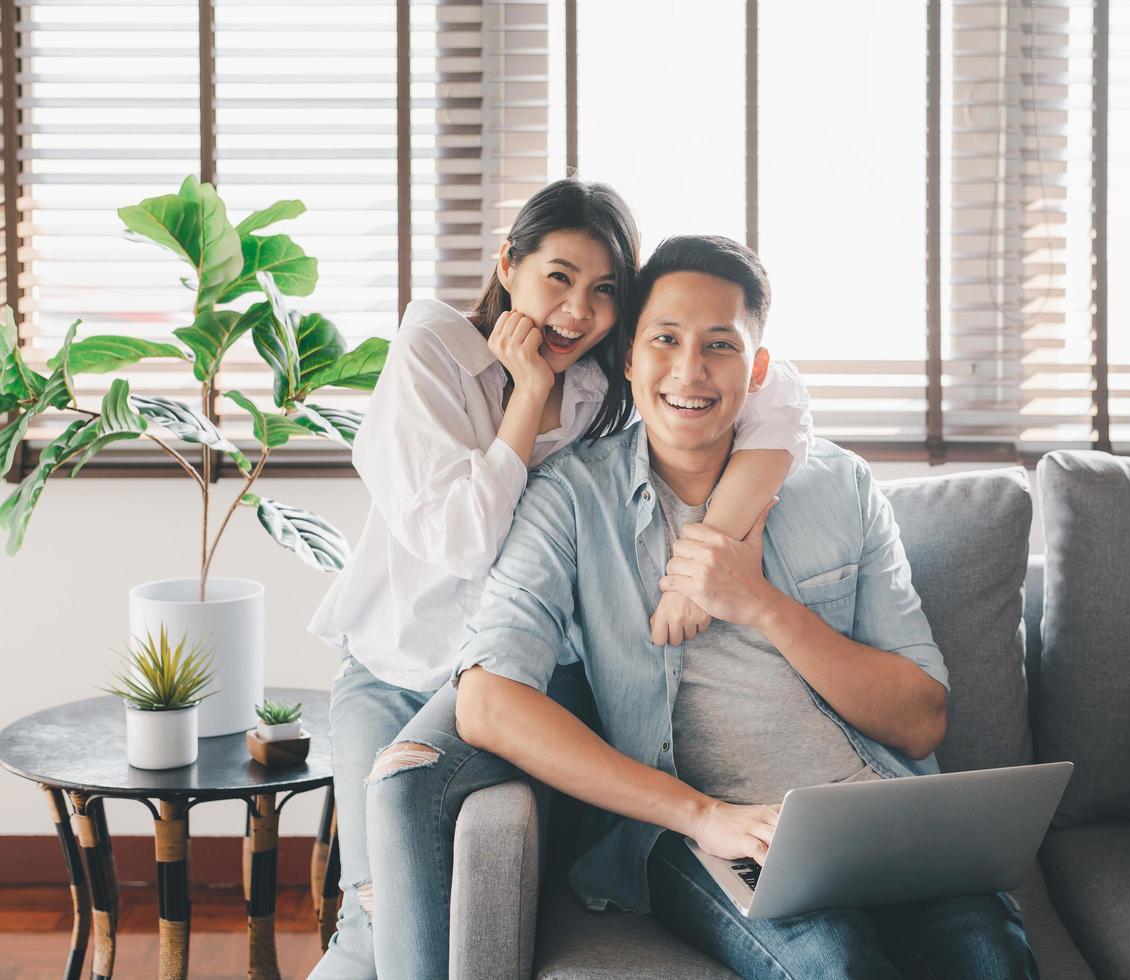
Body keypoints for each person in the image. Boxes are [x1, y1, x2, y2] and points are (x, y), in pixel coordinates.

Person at [369, 236, 1037, 979]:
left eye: (719, 346)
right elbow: (487, 703)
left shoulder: (838, 486)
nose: (689, 372)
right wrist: (702, 815)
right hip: (707, 837)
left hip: (887, 817)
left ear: (756, 372)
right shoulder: (568, 498)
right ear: (627, 356)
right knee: (836, 968)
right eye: (665, 340)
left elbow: (920, 720)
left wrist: (759, 604)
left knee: (993, 961)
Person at [307, 182, 811, 979]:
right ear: (508, 264)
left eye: (605, 290)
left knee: (408, 845)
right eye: (558, 278)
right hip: (392, 665)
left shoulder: (599, 384)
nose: (578, 312)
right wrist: (527, 394)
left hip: (519, 673)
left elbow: (777, 394)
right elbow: (462, 539)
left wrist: (709, 550)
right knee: (363, 922)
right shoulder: (433, 348)